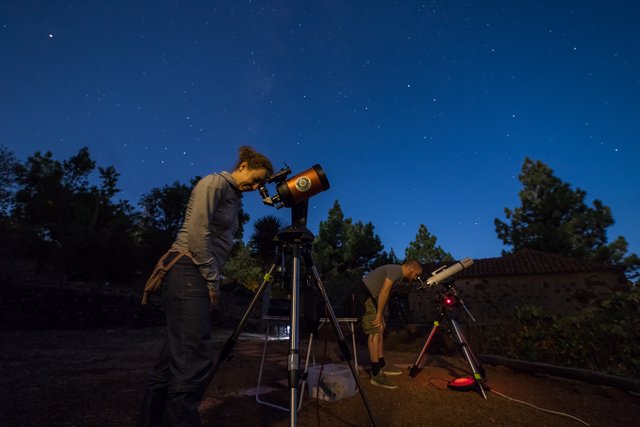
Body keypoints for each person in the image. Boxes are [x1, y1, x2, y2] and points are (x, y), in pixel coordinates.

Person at [138, 146, 273, 427]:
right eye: (257, 179)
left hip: (196, 272)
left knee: (172, 359)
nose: (257, 187)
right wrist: (213, 281)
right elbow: (198, 235)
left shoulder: (234, 198)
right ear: (244, 165)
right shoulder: (214, 183)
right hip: (190, 270)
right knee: (192, 362)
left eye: (261, 184)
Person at [355, 260, 423, 389]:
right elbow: (384, 292)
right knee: (374, 330)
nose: (415, 278)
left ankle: (381, 364)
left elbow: (383, 294)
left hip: (371, 298)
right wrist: (379, 314)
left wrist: (381, 315)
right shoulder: (395, 271)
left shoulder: (397, 274)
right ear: (411, 268)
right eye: (415, 275)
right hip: (363, 295)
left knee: (380, 328)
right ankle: (375, 374)